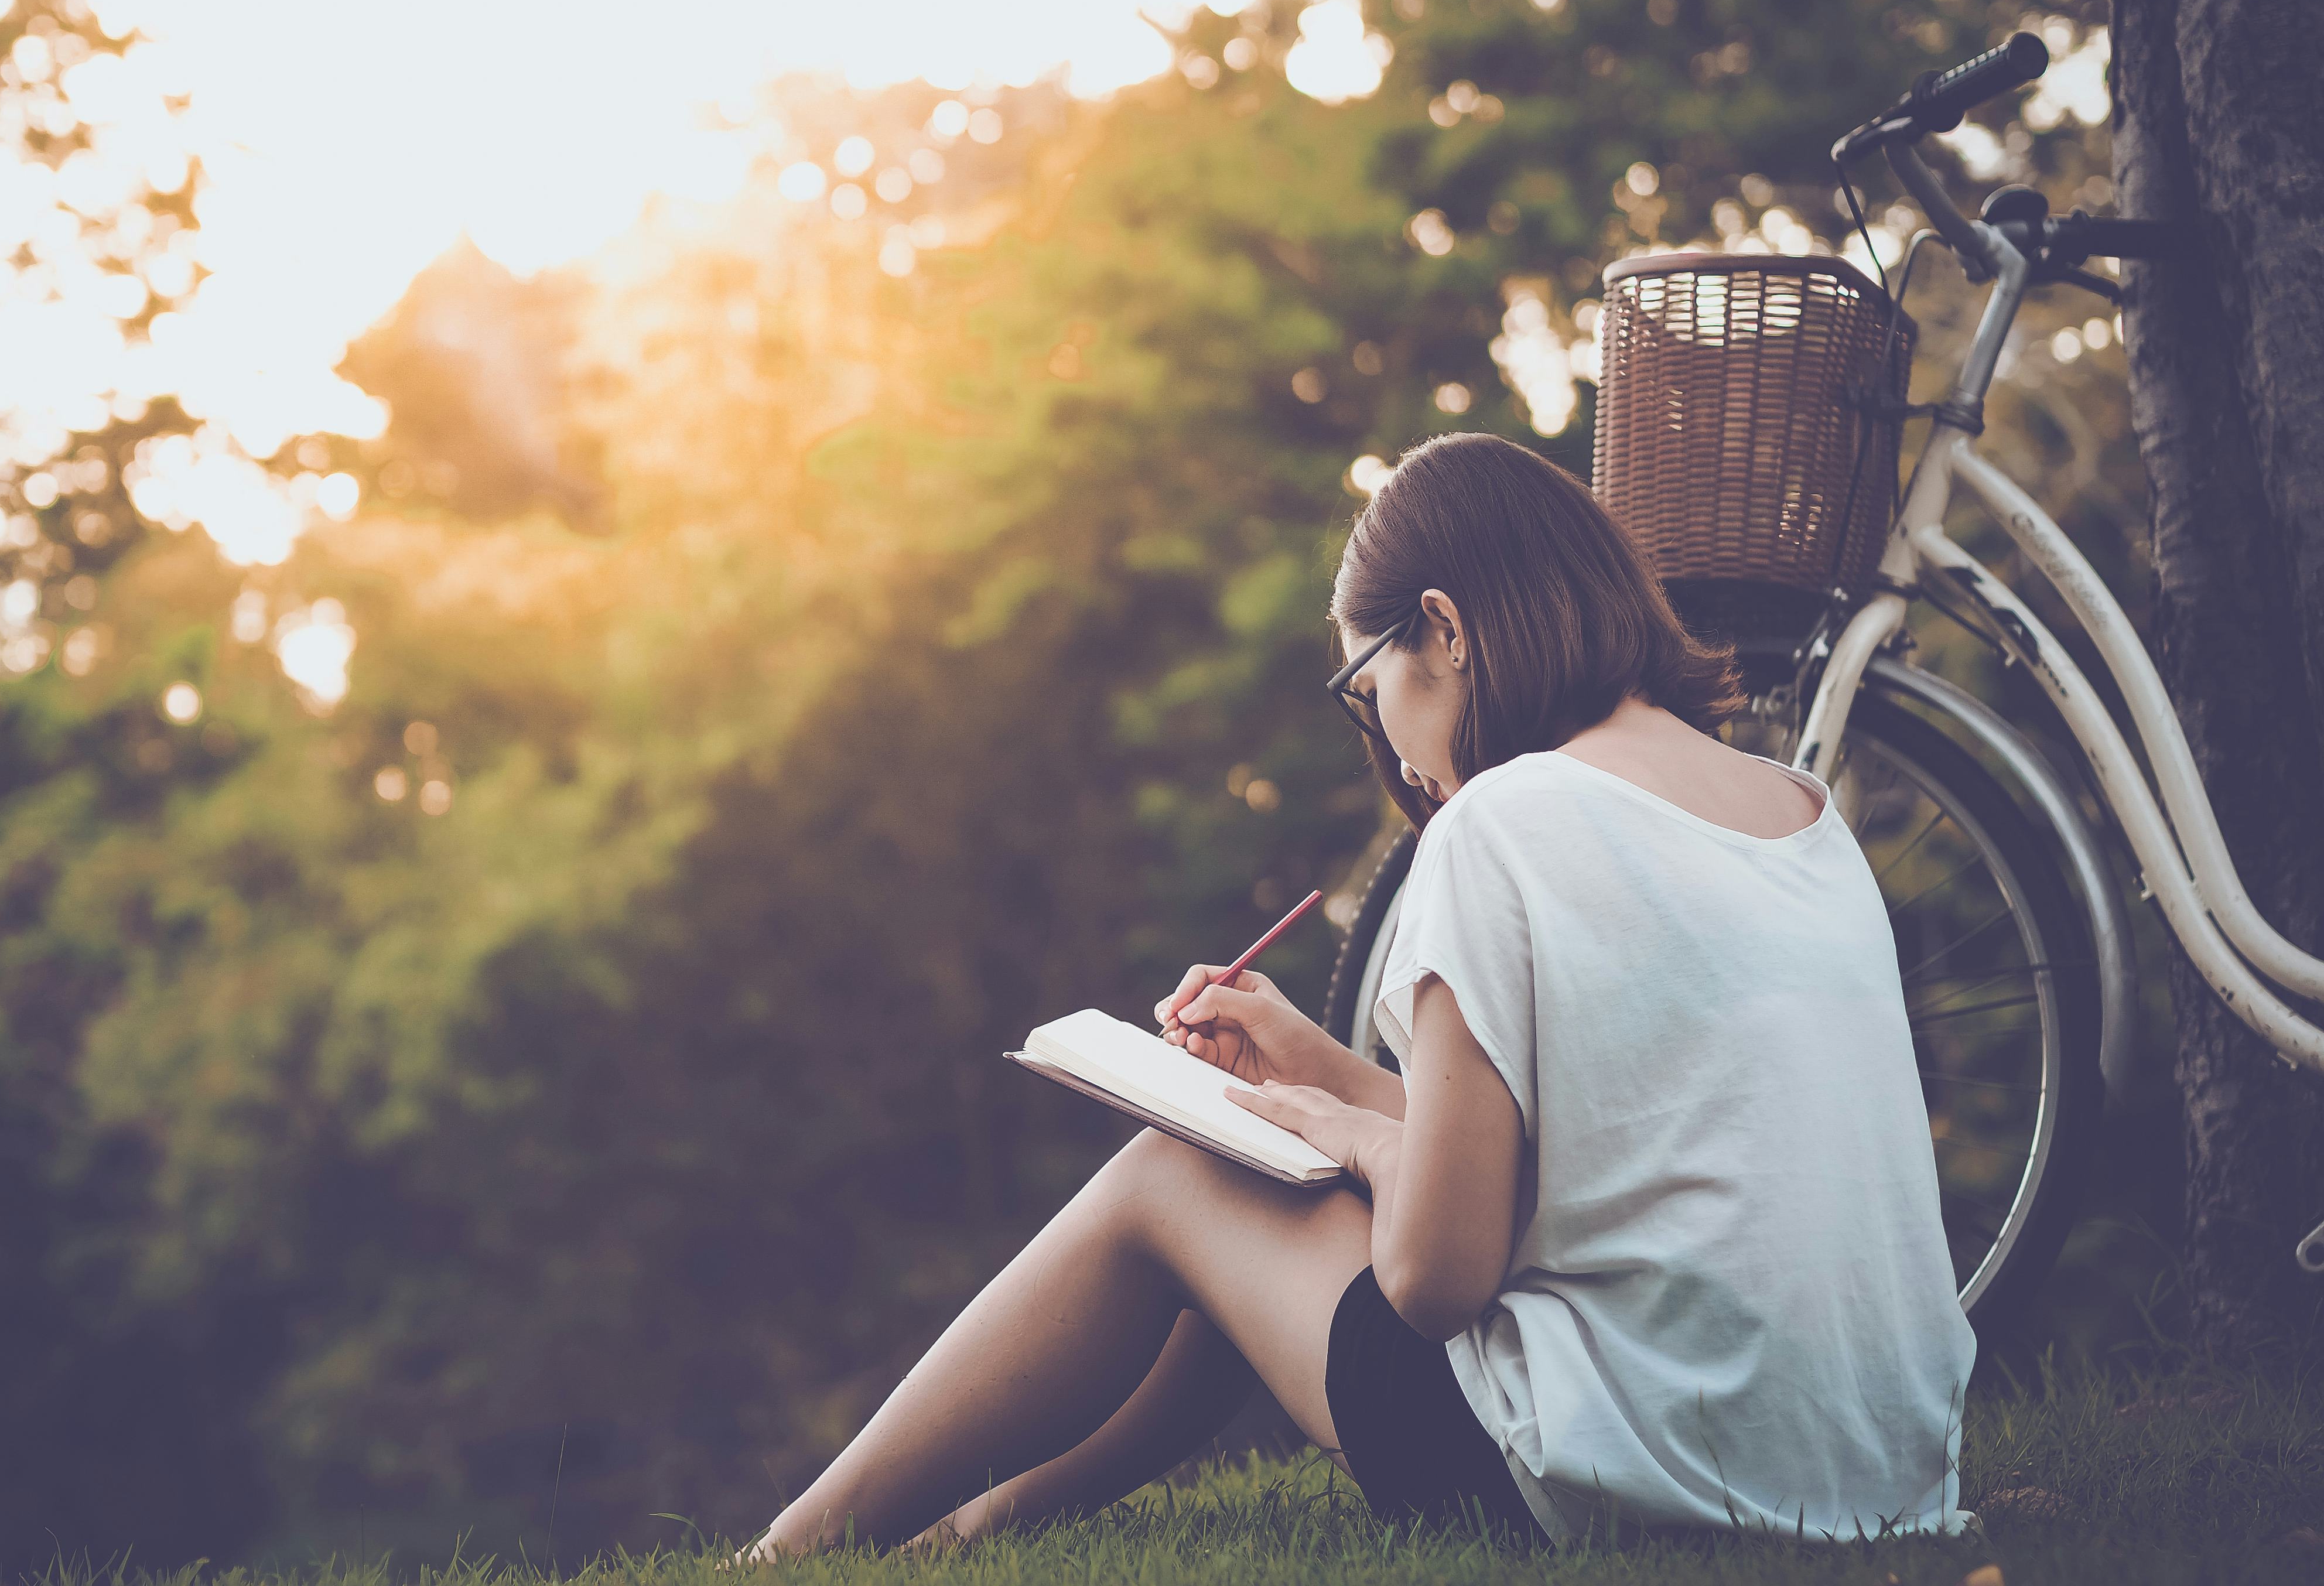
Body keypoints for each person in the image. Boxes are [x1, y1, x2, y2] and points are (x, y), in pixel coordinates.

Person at [745, 432, 1976, 1554]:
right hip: (1868, 1471)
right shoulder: (1799, 814)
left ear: (1444, 629)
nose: (1387, 746)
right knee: (1262, 1167)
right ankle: (976, 1532)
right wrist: (1318, 1072)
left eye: (1368, 690)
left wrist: (1331, 1132)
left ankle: (795, 1546)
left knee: (1175, 1174)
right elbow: (1601, 1161)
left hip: (1639, 1469)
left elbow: (1437, 1275)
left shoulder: (1506, 818)